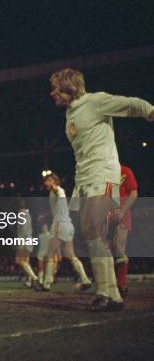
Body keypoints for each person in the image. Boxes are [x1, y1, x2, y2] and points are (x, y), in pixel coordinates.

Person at [49, 68, 154, 311]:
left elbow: (132, 104)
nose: (52, 92)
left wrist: (150, 111)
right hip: (83, 179)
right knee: (90, 235)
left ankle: (106, 293)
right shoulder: (70, 114)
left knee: (93, 228)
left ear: (69, 87)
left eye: (56, 87)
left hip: (102, 173)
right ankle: (111, 294)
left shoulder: (95, 101)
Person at [41, 173, 91, 292]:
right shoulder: (56, 193)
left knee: (50, 254)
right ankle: (85, 279)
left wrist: (54, 187)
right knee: (71, 255)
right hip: (68, 225)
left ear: (54, 181)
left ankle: (46, 283)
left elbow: (58, 191)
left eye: (48, 180)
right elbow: (59, 208)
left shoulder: (58, 190)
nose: (46, 183)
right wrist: (46, 214)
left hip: (59, 225)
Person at [110, 165, 138, 298]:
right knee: (106, 252)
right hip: (105, 216)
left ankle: (122, 285)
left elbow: (133, 192)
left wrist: (122, 212)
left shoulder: (125, 171)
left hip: (121, 215)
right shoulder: (101, 172)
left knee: (119, 249)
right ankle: (110, 285)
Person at [14, 199, 38, 288]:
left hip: (23, 240)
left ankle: (35, 278)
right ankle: (29, 282)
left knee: (19, 260)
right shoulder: (28, 214)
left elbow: (23, 229)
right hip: (29, 239)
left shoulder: (21, 214)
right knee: (26, 262)